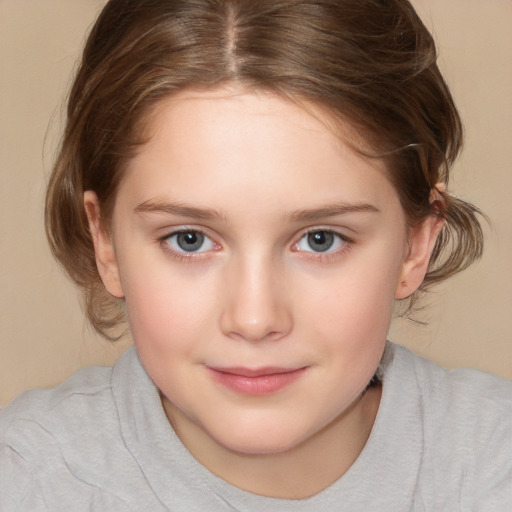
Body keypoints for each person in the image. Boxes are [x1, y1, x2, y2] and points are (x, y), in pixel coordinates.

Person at [0, 0, 510, 509]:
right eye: (190, 239)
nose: (254, 318)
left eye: (320, 239)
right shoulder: (29, 479)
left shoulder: (494, 466)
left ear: (415, 245)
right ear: (105, 241)